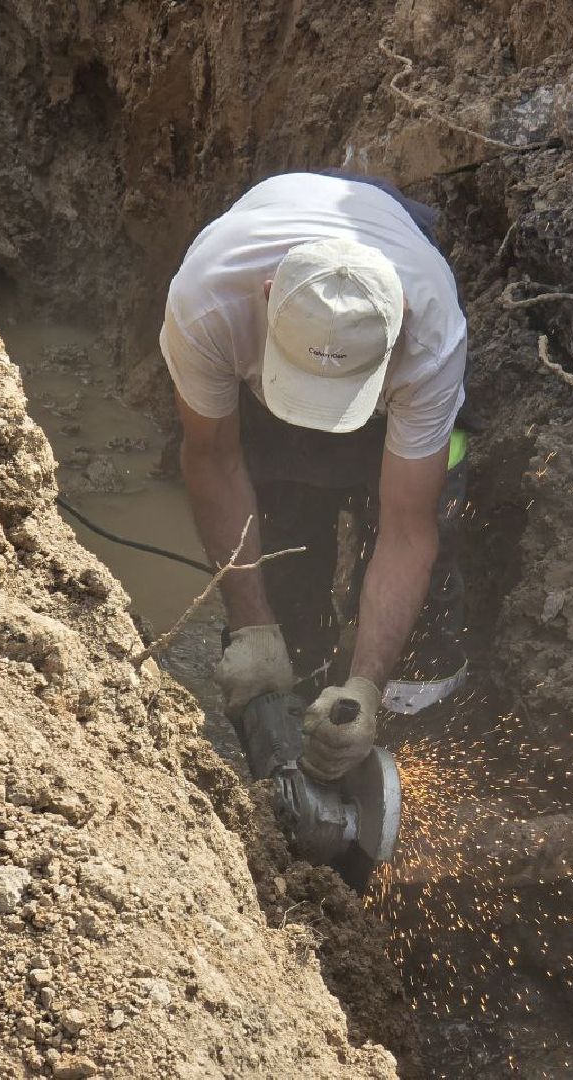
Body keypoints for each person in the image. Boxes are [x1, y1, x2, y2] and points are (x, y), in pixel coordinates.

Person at [159, 171, 468, 783]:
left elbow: (408, 528)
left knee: (428, 603)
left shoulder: (430, 334)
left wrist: (368, 685)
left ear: (398, 321)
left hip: (397, 390)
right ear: (268, 295)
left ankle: (402, 742)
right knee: (285, 563)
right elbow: (213, 459)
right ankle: (282, 723)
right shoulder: (208, 305)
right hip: (261, 373)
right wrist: (253, 627)